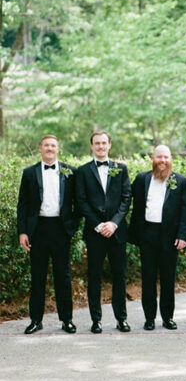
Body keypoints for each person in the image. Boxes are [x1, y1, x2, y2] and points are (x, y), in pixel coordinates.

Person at [17, 135, 81, 334]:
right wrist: (23, 232)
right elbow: (23, 205)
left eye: (53, 145)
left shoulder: (70, 171)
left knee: (63, 276)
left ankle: (67, 320)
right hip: (38, 229)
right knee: (37, 276)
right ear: (40, 148)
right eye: (46, 145)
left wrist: (72, 227)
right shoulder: (29, 173)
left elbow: (78, 202)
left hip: (61, 229)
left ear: (58, 148)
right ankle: (36, 320)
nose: (50, 148)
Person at [76, 130, 132, 333]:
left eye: (103, 143)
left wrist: (114, 223)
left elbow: (126, 199)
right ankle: (96, 320)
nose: (100, 146)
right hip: (95, 232)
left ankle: (122, 319)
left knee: (120, 276)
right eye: (96, 143)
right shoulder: (82, 171)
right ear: (91, 146)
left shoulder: (121, 169)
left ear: (109, 145)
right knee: (94, 276)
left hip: (116, 232)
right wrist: (98, 225)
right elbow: (81, 201)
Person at [129, 145, 186, 330]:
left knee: (168, 279)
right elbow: (127, 197)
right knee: (147, 278)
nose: (162, 161)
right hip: (147, 234)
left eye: (165, 157)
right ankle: (149, 318)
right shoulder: (142, 179)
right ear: (152, 158)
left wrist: (182, 235)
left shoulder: (181, 181)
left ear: (171, 158)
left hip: (170, 237)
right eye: (159, 157)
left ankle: (167, 317)